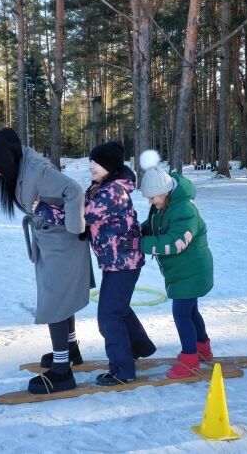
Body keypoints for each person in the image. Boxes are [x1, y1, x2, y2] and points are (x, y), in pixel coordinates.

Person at [0, 128, 92, 395]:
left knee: (55, 303)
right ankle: (70, 349)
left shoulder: (37, 171)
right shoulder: (22, 167)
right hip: (51, 244)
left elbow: (74, 191)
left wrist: (77, 229)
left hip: (63, 245)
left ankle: (62, 372)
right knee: (60, 300)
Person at [84, 142, 157, 386]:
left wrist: (43, 208)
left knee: (109, 314)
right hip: (116, 260)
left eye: (97, 162)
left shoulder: (112, 191)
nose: (91, 166)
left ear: (111, 166)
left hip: (123, 262)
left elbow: (82, 216)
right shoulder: (101, 187)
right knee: (119, 308)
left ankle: (122, 370)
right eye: (91, 161)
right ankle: (139, 347)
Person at [139, 150, 214, 379]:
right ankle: (203, 349)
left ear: (165, 192)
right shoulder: (164, 206)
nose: (151, 202)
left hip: (192, 271)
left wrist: (140, 245)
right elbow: (154, 226)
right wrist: (136, 232)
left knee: (182, 313)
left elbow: (176, 242)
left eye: (153, 197)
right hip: (182, 271)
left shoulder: (184, 210)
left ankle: (190, 358)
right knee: (191, 311)